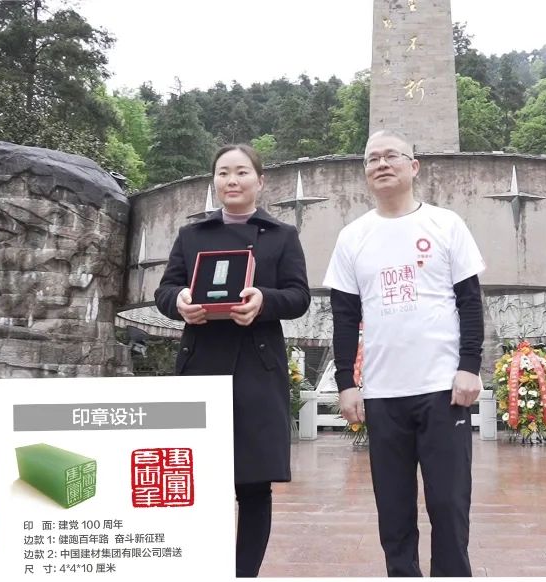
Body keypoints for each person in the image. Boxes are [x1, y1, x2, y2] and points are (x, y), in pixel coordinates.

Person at [323, 130, 485, 577]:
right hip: (382, 393)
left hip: (442, 389)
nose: (381, 164)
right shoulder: (353, 236)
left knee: (449, 504)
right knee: (393, 510)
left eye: (391, 155)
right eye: (372, 158)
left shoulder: (446, 224)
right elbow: (344, 317)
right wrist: (346, 383)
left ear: (414, 166)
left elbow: (470, 302)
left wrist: (469, 366)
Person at [154, 144, 310, 577]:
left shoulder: (282, 235)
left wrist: (264, 301)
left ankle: (245, 574)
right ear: (214, 181)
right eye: (223, 173)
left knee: (254, 483)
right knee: (201, 480)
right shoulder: (191, 235)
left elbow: (299, 296)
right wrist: (180, 301)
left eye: (241, 172)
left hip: (257, 370)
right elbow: (165, 290)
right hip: (201, 365)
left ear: (260, 180)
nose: (232, 180)